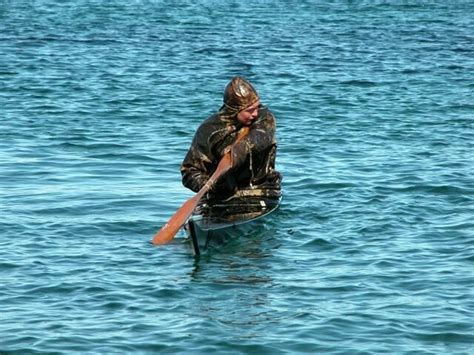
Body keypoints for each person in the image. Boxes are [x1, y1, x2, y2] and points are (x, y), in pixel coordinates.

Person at [180, 76, 281, 217]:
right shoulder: (209, 130)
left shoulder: (264, 119)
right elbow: (189, 171)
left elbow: (258, 139)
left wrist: (233, 155)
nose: (255, 113)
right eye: (249, 110)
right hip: (220, 196)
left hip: (260, 191)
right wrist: (211, 185)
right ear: (234, 110)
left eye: (257, 107)